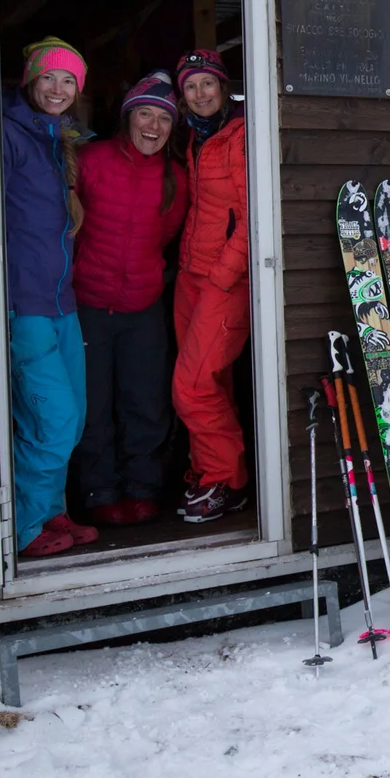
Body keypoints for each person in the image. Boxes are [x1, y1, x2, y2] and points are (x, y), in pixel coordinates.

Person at [72, 71, 187, 526]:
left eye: (163, 118)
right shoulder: (90, 160)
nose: (154, 127)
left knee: (145, 401)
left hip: (143, 306)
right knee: (93, 403)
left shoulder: (175, 178)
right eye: (145, 113)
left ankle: (142, 488)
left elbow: (168, 235)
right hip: (88, 304)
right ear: (127, 117)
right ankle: (99, 490)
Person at [4, 36, 94, 559]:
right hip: (27, 302)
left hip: (62, 299)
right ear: (31, 81)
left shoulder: (56, 139)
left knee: (73, 415)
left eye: (68, 81)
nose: (58, 89)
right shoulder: (9, 136)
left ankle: (51, 507)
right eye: (49, 78)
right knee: (51, 417)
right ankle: (27, 523)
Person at [170, 47, 251, 523]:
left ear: (223, 88)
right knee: (209, 383)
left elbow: (249, 217)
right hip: (190, 276)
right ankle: (211, 475)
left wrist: (223, 274)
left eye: (207, 83)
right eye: (191, 86)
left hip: (224, 280)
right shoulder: (196, 139)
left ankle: (225, 479)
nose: (200, 93)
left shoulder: (238, 137)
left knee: (192, 387)